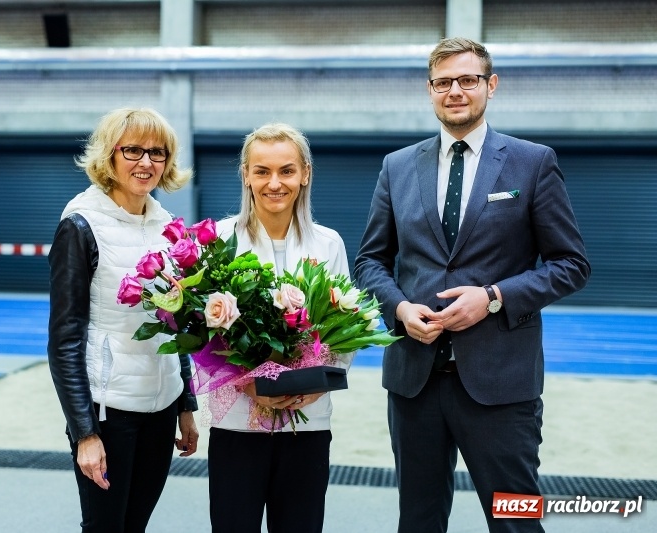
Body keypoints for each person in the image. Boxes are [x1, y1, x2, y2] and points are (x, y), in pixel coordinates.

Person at [354, 38, 591, 532]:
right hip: (414, 382)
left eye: (468, 80)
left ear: (491, 85)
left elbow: (570, 263)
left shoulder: (532, 162)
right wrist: (398, 309)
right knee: (418, 520)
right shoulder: (397, 167)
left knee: (515, 519)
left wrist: (494, 298)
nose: (455, 91)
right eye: (444, 82)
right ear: (430, 90)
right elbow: (371, 261)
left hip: (500, 385)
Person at [47, 107, 199, 533]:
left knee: (135, 526)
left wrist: (186, 403)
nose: (146, 162)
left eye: (158, 152)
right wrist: (85, 433)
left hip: (162, 404)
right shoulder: (80, 225)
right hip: (108, 411)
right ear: (109, 156)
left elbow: (177, 321)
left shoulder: (167, 226)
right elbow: (64, 340)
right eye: (133, 150)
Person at [208, 123, 351, 533]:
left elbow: (346, 327)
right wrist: (247, 382)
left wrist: (315, 385)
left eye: (286, 171)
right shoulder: (221, 240)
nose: (275, 183)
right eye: (262, 171)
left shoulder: (329, 244)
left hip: (308, 421)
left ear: (305, 173)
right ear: (246, 175)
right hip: (237, 422)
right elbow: (205, 332)